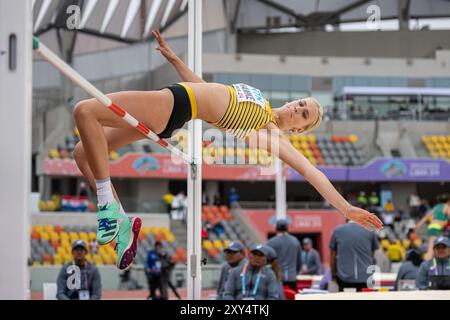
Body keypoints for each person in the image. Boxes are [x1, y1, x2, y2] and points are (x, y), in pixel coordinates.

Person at [71, 29, 383, 270]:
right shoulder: (258, 99)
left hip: (175, 104)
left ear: (299, 129)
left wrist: (345, 209)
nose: (297, 108)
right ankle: (121, 221)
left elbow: (310, 171)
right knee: (81, 153)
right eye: (301, 103)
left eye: (304, 114)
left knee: (85, 111)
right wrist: (176, 60)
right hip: (182, 101)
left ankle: (106, 206)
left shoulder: (271, 133)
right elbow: (206, 89)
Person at [329, 220, 379, 292]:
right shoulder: (370, 231)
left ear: (346, 219)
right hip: (365, 278)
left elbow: (332, 257)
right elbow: (372, 255)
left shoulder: (337, 231)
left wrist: (333, 275)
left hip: (344, 278)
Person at [267, 219, 302, 291]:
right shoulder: (295, 241)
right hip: (292, 278)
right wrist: (295, 272)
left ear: (276, 228)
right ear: (287, 228)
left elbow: (267, 261)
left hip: (277, 278)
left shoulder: (271, 242)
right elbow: (299, 261)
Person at [415, 194, 450, 260]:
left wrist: (418, 224)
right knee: (437, 248)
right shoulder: (446, 207)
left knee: (433, 247)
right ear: (448, 201)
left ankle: (428, 262)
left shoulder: (436, 207)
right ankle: (430, 263)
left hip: (431, 227)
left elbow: (426, 216)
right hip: (437, 228)